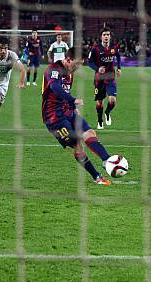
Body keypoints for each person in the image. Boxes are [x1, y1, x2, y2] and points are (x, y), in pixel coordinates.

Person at [42, 47, 114, 186]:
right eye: (77, 64)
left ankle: (107, 160)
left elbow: (64, 92)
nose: (78, 68)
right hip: (54, 118)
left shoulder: (70, 73)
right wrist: (73, 100)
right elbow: (55, 87)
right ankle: (97, 176)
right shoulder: (53, 69)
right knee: (77, 145)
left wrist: (73, 108)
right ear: (68, 60)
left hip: (68, 112)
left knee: (89, 133)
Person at [87, 27, 121, 129]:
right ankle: (100, 120)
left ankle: (107, 113)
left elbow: (118, 56)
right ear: (101, 37)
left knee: (112, 101)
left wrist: (119, 68)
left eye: (108, 35)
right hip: (99, 79)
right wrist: (97, 69)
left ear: (110, 36)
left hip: (110, 77)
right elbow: (89, 62)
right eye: (104, 35)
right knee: (99, 102)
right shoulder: (95, 48)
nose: (106, 36)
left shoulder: (114, 47)